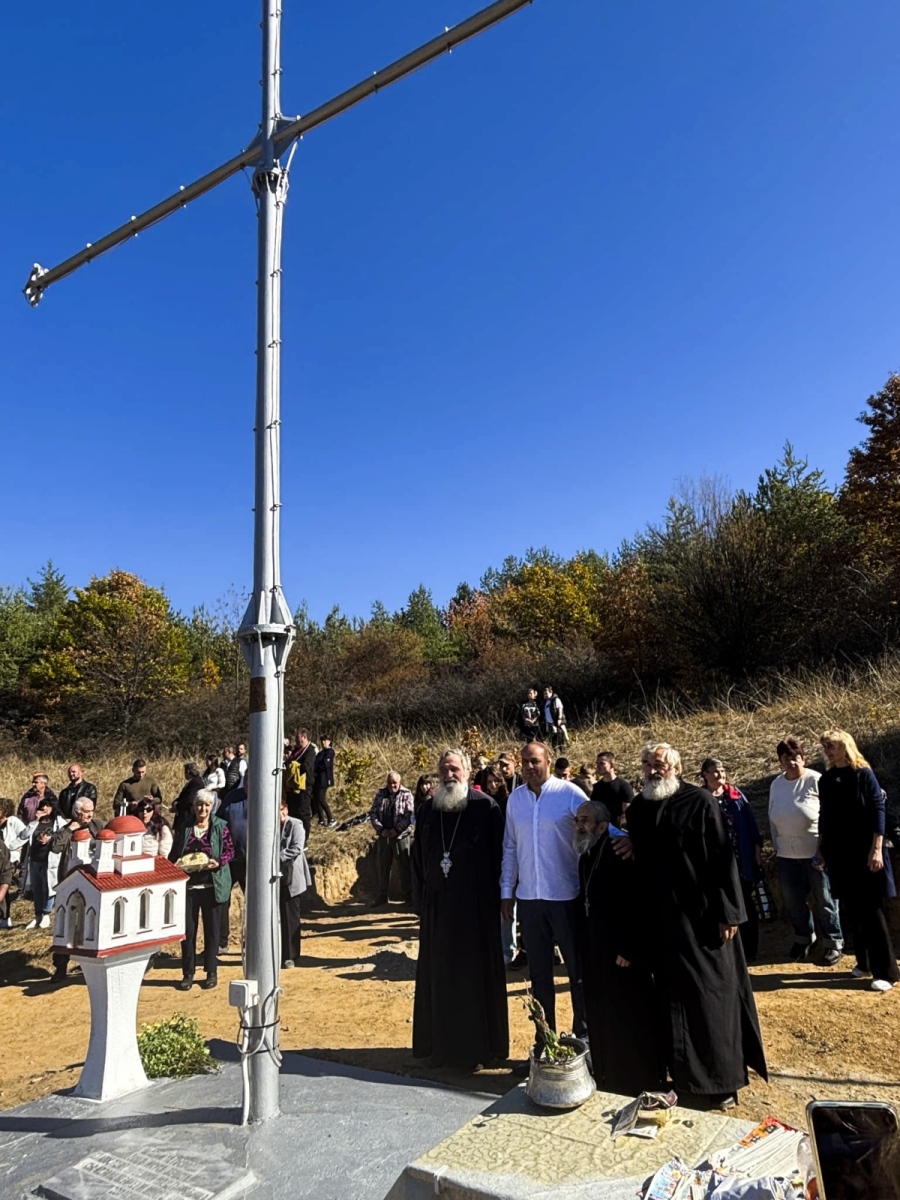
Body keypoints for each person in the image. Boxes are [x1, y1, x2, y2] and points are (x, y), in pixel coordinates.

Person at [626, 743, 767, 1109]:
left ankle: (722, 1083)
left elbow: (722, 858)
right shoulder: (640, 808)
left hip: (703, 920)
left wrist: (729, 912)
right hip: (662, 922)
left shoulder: (700, 801)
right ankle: (685, 1077)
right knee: (672, 998)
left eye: (659, 764)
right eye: (647, 764)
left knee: (710, 998)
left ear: (675, 767)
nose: (652, 770)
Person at [411, 749, 509, 1068]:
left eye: (454, 768)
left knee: (472, 978)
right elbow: (417, 859)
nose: (448, 774)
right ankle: (438, 1047)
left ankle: (476, 1050)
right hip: (438, 906)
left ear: (467, 771)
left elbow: (499, 858)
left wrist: (499, 898)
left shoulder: (486, 808)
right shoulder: (428, 811)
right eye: (443, 769)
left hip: (474, 909)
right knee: (438, 976)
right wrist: (421, 901)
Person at [501, 742, 590, 1062]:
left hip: (565, 898)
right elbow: (510, 848)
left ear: (548, 762)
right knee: (539, 976)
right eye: (524, 762)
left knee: (577, 973)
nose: (528, 766)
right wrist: (506, 892)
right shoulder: (515, 799)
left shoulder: (569, 794)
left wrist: (624, 840)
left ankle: (584, 1038)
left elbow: (596, 826)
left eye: (534, 761)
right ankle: (545, 1043)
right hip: (530, 901)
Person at [575, 799, 663, 1095]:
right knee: (603, 1015)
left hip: (623, 953)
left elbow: (636, 903)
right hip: (597, 952)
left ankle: (638, 1076)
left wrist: (630, 947)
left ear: (602, 825)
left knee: (629, 1015)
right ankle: (608, 1073)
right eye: (577, 821)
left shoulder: (617, 851)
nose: (579, 826)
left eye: (585, 820)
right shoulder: (586, 855)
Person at [817, 728, 899, 992]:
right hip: (840, 854)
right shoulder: (827, 780)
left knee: (872, 911)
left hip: (865, 852)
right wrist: (820, 849)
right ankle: (863, 964)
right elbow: (825, 817)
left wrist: (876, 849)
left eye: (833, 746)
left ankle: (886, 971)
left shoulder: (864, 774)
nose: (829, 751)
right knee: (853, 910)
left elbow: (878, 812)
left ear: (846, 747)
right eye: (826, 747)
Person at [768, 737, 843, 965]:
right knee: (794, 902)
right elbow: (772, 819)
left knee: (825, 900)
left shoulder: (816, 780)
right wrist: (776, 845)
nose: (791, 762)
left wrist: (825, 850)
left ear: (804, 758)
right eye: (786, 759)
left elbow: (831, 817)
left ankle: (833, 942)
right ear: (780, 762)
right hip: (786, 856)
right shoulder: (776, 784)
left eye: (795, 758)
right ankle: (804, 938)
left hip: (815, 854)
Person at [700, 758, 763, 963]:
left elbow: (750, 823)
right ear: (705, 775)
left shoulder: (735, 795)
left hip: (740, 859)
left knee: (744, 903)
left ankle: (750, 950)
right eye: (715, 771)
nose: (720, 774)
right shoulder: (700, 798)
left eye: (722, 770)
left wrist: (757, 849)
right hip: (714, 863)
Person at [169, 789, 234, 990]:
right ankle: (188, 973)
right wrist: (175, 865)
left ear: (212, 806)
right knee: (188, 931)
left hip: (212, 885)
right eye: (199, 805)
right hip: (189, 886)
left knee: (212, 932)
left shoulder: (220, 827)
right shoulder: (185, 827)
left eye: (206, 805)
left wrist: (218, 862)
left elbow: (230, 850)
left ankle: (211, 971)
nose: (202, 809)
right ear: (194, 807)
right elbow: (175, 852)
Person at [49, 797, 103, 981]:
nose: (90, 814)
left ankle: (89, 960)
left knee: (92, 919)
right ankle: (61, 966)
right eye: (87, 811)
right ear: (77, 812)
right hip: (71, 879)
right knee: (66, 922)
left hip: (94, 880)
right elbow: (55, 846)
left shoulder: (97, 825)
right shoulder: (67, 828)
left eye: (92, 811)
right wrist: (69, 829)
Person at [369, 772, 414, 906]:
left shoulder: (406, 794)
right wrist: (381, 829)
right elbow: (373, 813)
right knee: (383, 866)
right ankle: (382, 895)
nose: (392, 785)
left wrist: (397, 830)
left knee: (404, 866)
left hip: (400, 836)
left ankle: (409, 896)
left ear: (399, 782)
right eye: (390, 782)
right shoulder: (381, 794)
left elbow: (409, 816)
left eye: (394, 783)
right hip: (384, 836)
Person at [279, 798, 312, 966]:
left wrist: (275, 858)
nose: (278, 814)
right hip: (276, 879)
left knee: (290, 917)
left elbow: (297, 848)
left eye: (281, 809)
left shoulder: (296, 824)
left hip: (292, 878)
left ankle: (291, 955)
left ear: (286, 809)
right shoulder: (270, 827)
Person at [218, 780, 249, 950]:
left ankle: (250, 942)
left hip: (252, 862)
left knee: (252, 903)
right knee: (222, 899)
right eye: (247, 781)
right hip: (229, 859)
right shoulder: (231, 797)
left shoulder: (264, 797)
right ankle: (221, 942)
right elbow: (218, 822)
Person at [24, 799, 64, 930]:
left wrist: (50, 839)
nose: (45, 808)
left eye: (47, 806)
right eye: (42, 806)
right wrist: (35, 820)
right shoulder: (36, 823)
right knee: (37, 889)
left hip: (49, 860)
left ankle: (46, 913)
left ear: (53, 808)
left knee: (48, 887)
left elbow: (64, 837)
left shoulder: (58, 822)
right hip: (35, 860)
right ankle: (38, 915)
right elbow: (24, 835)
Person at [285, 728, 316, 838]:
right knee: (293, 812)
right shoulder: (295, 750)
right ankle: (294, 836)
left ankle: (305, 837)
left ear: (304, 737)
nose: (296, 741)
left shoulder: (310, 751)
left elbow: (306, 766)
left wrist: (295, 767)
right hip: (292, 787)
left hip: (303, 786)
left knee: (303, 812)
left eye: (298, 738)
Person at [591, 752, 634, 825]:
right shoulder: (596, 787)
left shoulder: (624, 786)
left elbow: (628, 813)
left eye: (602, 763)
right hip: (599, 828)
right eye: (597, 763)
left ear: (612, 765)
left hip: (617, 829)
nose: (598, 766)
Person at [171, 762, 207, 829]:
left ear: (188, 771)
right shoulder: (192, 782)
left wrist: (177, 806)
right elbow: (183, 796)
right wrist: (175, 802)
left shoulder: (196, 783)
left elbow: (190, 799)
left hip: (188, 815)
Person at [312, 735, 337, 827]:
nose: (323, 742)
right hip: (317, 779)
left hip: (324, 779)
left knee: (321, 798)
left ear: (329, 741)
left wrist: (317, 769)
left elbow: (326, 764)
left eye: (325, 740)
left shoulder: (330, 752)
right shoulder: (320, 753)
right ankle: (321, 819)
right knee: (316, 798)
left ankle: (331, 818)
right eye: (322, 740)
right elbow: (315, 763)